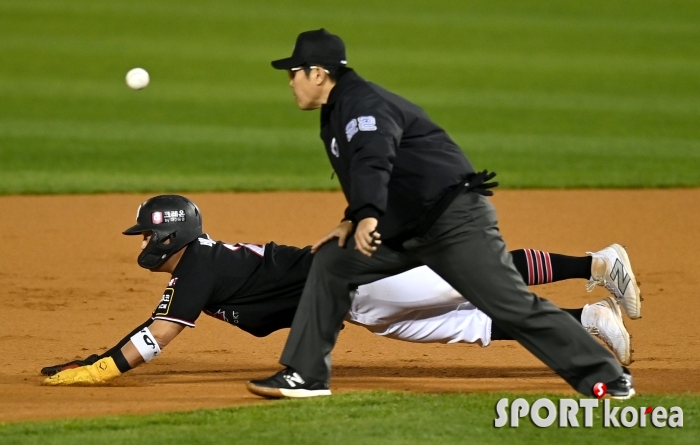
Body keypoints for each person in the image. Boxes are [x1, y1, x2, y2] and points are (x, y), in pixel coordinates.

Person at [247, 29, 642, 400]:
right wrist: (353, 219)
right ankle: (307, 375)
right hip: (406, 228)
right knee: (333, 262)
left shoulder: (362, 104)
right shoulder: (337, 110)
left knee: (509, 304)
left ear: (319, 73)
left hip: (452, 221)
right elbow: (381, 170)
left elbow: (374, 157)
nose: (290, 81)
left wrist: (366, 213)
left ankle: (607, 376)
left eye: (295, 72)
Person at [42, 195, 637, 385]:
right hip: (358, 301)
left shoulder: (195, 267)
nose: (141, 242)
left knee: (473, 278)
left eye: (146, 233)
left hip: (356, 285)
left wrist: (100, 369)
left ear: (168, 236)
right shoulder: (199, 261)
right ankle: (586, 322)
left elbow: (159, 335)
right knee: (463, 322)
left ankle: (596, 262)